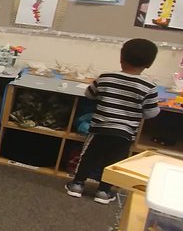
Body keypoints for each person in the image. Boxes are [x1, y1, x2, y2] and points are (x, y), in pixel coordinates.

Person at [66, 39, 159, 204]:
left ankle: (77, 185)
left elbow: (89, 94)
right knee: (114, 163)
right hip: (125, 133)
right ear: (149, 64)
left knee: (88, 156)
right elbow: (151, 113)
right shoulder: (149, 86)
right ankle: (103, 192)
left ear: (121, 58)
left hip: (100, 128)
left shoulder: (106, 77)